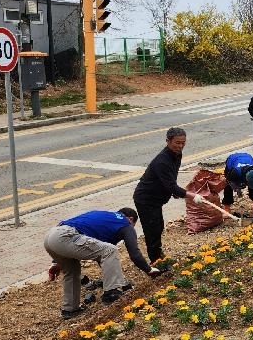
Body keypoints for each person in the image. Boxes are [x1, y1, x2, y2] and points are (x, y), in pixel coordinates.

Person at [44, 208, 162, 319]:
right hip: (67, 236)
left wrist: (56, 262)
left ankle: (69, 309)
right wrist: (149, 270)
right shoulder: (125, 223)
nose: (132, 228)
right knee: (110, 250)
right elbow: (134, 254)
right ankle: (111, 293)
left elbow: (104, 259)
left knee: (72, 270)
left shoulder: (106, 219)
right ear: (131, 219)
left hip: (51, 237)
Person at [133, 127, 205, 264]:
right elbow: (171, 185)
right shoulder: (162, 161)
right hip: (146, 199)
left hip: (157, 198)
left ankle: (159, 255)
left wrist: (173, 191)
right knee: (152, 229)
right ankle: (155, 262)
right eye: (177, 143)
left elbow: (171, 179)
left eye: (183, 142)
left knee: (159, 226)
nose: (181, 146)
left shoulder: (176, 154)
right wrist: (191, 195)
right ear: (168, 141)